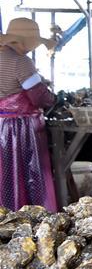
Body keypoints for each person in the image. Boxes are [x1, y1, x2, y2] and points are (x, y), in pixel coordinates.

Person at [0, 18, 58, 211]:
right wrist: (54, 99)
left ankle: (5, 215)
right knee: (26, 175)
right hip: (17, 129)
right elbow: (39, 96)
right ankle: (28, 214)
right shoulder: (21, 61)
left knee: (5, 175)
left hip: (1, 124)